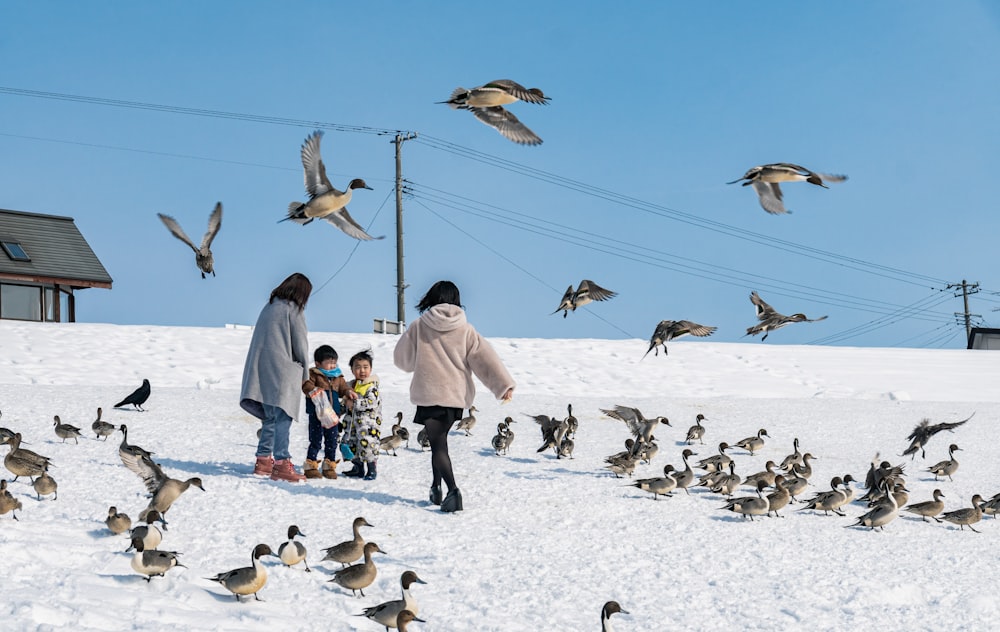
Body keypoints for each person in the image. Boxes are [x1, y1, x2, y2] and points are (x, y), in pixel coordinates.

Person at [393, 280, 515, 512]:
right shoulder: (466, 330)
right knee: (440, 442)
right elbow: (485, 360)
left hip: (429, 395)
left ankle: (453, 491)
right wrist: (503, 385)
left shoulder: (419, 326)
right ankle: (435, 488)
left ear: (432, 298)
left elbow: (403, 360)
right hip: (454, 397)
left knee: (438, 446)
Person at [240, 272, 312, 483]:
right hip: (283, 370)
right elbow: (300, 344)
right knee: (283, 417)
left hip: (263, 369)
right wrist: (305, 375)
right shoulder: (294, 310)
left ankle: (263, 461)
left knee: (270, 417)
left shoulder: (269, 306)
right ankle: (282, 463)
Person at [301, 345, 354, 479]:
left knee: (332, 440)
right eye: (329, 363)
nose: (332, 365)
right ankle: (311, 465)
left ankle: (329, 465)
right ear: (318, 363)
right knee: (316, 439)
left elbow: (343, 388)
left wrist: (348, 392)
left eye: (334, 362)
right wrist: (313, 390)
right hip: (317, 414)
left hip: (332, 415)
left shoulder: (338, 376)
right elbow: (306, 385)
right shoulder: (313, 374)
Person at [341, 349, 383, 481]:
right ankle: (357, 467)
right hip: (351, 425)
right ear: (352, 370)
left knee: (368, 446)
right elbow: (345, 403)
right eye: (358, 367)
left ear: (370, 369)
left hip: (368, 426)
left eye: (365, 367)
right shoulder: (350, 386)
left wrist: (354, 404)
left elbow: (371, 402)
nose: (362, 371)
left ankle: (371, 469)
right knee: (351, 445)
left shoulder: (371, 386)